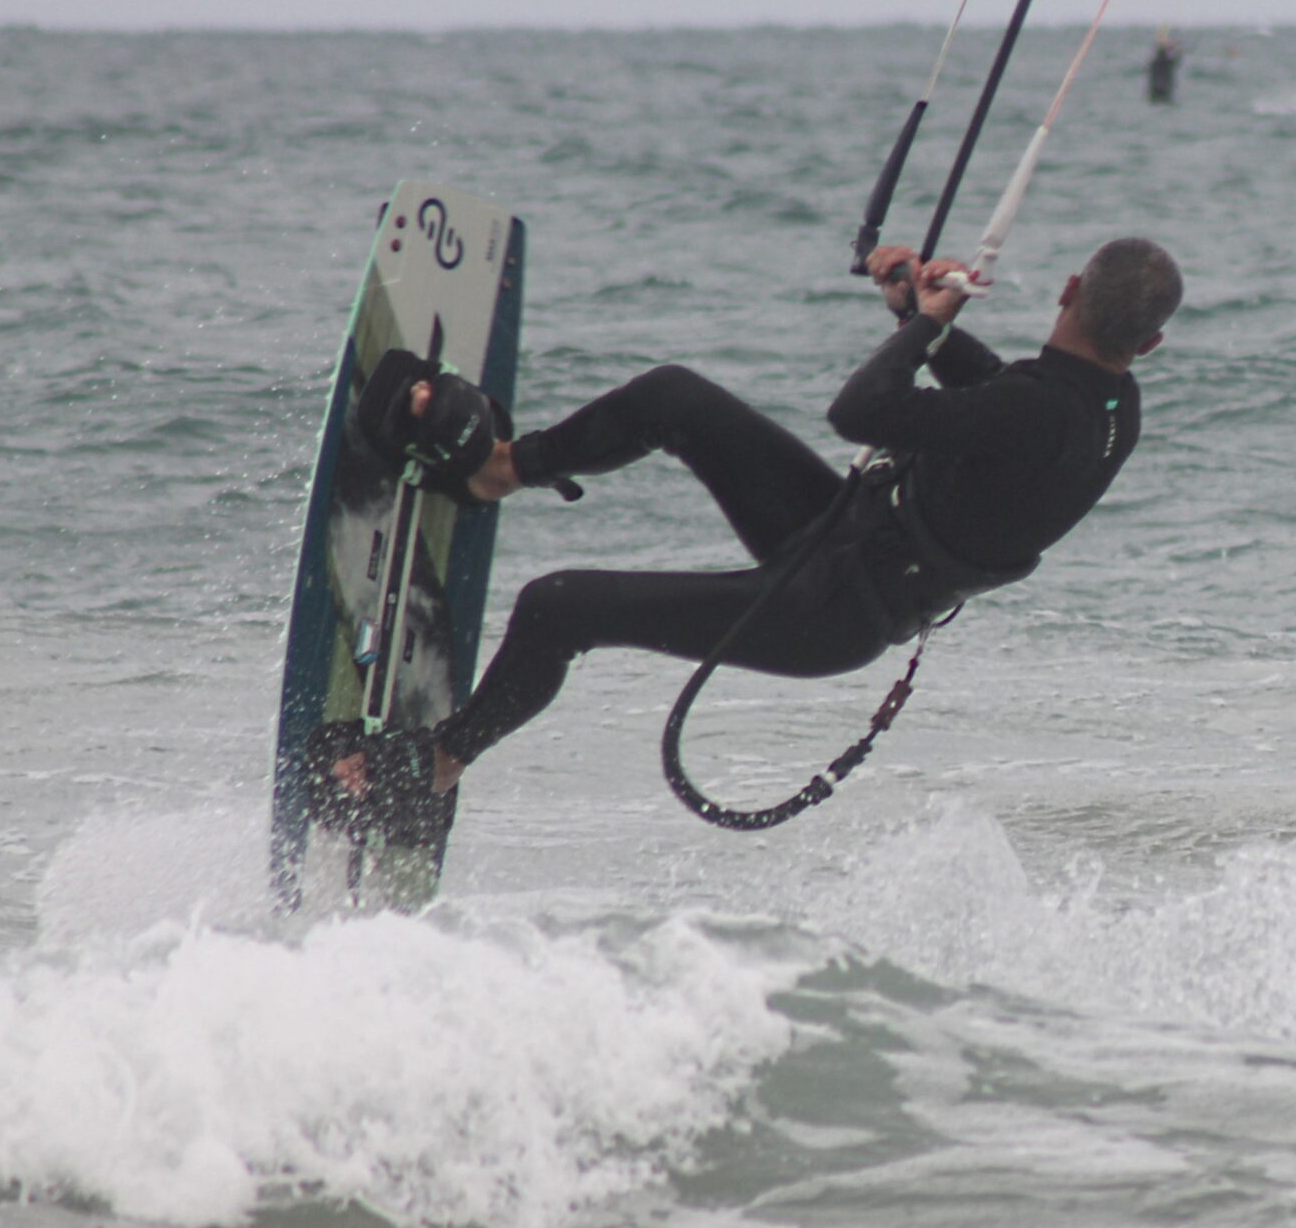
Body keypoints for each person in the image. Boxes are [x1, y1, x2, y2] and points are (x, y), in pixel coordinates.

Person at [311, 236, 1183, 822]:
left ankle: (439, 761)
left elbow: (861, 410)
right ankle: (499, 468)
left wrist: (925, 323)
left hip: (832, 607)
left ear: (1069, 289)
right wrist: (913, 316)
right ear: (1147, 345)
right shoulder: (1110, 408)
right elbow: (994, 399)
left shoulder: (1038, 409)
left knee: (559, 606)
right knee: (672, 399)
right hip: (839, 536)